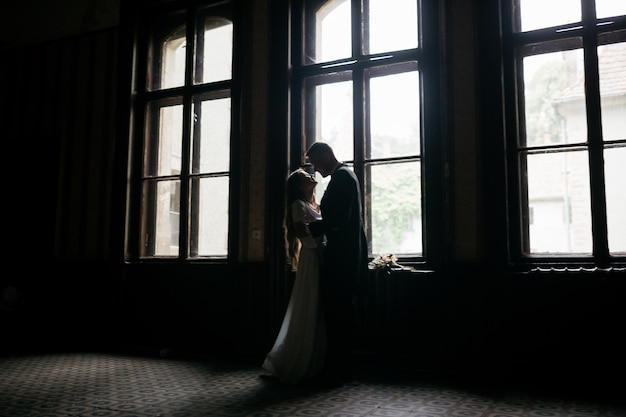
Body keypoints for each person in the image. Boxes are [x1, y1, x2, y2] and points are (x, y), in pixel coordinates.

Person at [305, 142, 368, 385]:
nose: (315, 169)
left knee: (339, 316)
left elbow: (338, 220)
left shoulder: (342, 178)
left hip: (343, 259)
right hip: (345, 256)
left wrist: (310, 226)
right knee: (339, 315)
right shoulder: (345, 176)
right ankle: (338, 369)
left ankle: (338, 371)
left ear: (325, 155)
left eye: (315, 163)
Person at [262, 168, 327, 384]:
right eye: (305, 177)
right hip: (312, 256)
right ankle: (295, 358)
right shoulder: (298, 205)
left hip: (321, 254)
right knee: (309, 301)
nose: (311, 176)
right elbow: (303, 234)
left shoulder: (315, 205)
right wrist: (320, 247)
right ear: (299, 186)